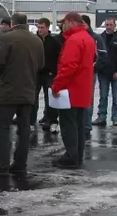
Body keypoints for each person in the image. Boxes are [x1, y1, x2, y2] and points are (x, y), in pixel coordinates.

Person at [0, 13, 43, 176]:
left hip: (8, 90)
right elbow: (41, 64)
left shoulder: (7, 38)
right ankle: (20, 164)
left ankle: (1, 165)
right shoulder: (36, 40)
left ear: (12, 22)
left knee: (3, 128)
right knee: (24, 130)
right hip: (28, 90)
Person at [50, 12, 96, 169]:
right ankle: (77, 155)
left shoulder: (74, 40)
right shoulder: (87, 38)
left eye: (64, 23)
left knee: (68, 124)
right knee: (79, 124)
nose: (62, 26)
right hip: (82, 89)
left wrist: (56, 86)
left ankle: (71, 156)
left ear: (70, 22)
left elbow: (68, 67)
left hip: (70, 90)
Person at [92, 18, 117, 127]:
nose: (108, 27)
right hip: (103, 73)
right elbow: (97, 55)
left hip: (116, 73)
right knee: (103, 96)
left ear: (114, 25)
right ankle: (101, 117)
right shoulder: (101, 38)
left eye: (110, 24)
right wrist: (98, 69)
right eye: (107, 24)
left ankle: (116, 118)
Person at [34, 18, 62, 133]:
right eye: (38, 27)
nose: (40, 30)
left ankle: (52, 121)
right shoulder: (34, 40)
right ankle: (31, 121)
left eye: (42, 27)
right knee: (33, 98)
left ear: (47, 27)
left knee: (50, 98)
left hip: (49, 74)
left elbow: (59, 57)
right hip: (36, 73)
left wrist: (54, 71)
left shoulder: (54, 41)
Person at [81, 15, 106, 137]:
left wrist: (93, 68)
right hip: (78, 73)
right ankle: (80, 125)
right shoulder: (78, 37)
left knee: (88, 99)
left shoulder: (96, 38)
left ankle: (86, 126)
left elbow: (103, 56)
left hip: (90, 73)